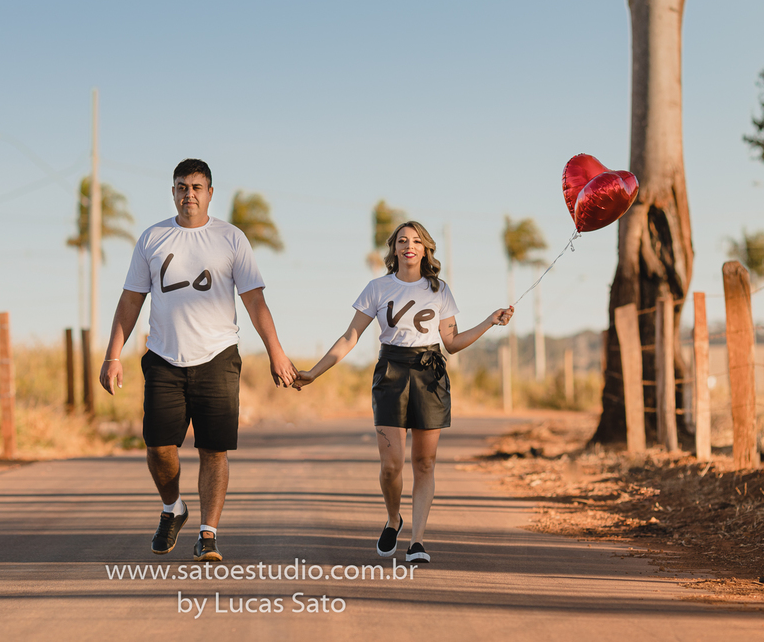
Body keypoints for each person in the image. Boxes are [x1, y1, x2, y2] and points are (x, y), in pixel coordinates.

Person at [100, 158, 299, 563]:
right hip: (163, 356)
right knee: (158, 445)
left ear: (209, 192)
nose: (188, 193)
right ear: (172, 192)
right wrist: (112, 354)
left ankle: (208, 534)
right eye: (181, 187)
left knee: (213, 449)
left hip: (217, 357)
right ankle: (173, 508)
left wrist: (276, 350)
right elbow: (131, 299)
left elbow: (255, 300)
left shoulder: (230, 238)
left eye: (196, 186)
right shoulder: (152, 238)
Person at [294, 221, 512, 563]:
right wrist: (314, 373)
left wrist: (490, 320)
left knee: (425, 463)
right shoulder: (378, 287)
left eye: (416, 241)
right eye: (402, 240)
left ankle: (417, 542)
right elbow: (350, 337)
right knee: (391, 466)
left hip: (430, 373)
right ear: (394, 249)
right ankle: (394, 518)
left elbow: (452, 343)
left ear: (425, 249)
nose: (409, 245)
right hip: (391, 373)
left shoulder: (439, 289)